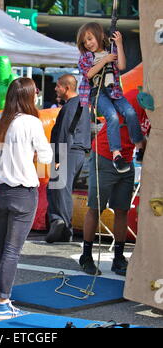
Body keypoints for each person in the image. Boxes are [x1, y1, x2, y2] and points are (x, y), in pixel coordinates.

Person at [0, 77, 53, 319]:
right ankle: (3, 302)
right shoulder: (31, 122)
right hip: (23, 191)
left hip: (0, 190)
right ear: (29, 97)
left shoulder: (0, 118)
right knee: (12, 250)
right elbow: (45, 157)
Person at [79, 89, 149, 276]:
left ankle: (118, 258)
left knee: (122, 209)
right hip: (105, 155)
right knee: (96, 207)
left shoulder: (155, 107)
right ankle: (86, 256)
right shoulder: (134, 97)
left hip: (126, 159)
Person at [77, 22, 145, 174]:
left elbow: (121, 66)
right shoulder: (85, 57)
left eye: (90, 39)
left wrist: (119, 44)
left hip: (113, 90)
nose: (88, 43)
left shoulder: (111, 50)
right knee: (112, 116)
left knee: (130, 112)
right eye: (85, 41)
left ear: (100, 36)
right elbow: (88, 74)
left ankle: (139, 146)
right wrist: (104, 60)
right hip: (98, 92)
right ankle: (116, 154)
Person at [45, 74, 91, 243]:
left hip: (68, 151)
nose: (55, 89)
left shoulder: (71, 106)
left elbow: (65, 132)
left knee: (60, 189)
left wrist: (57, 157)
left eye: (58, 86)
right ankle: (59, 222)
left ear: (66, 88)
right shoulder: (80, 104)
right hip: (75, 151)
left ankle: (62, 225)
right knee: (57, 188)